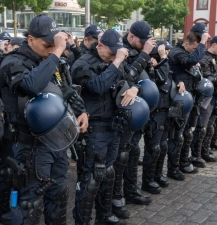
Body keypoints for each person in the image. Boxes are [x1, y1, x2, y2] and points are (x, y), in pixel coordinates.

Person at [0, 14, 88, 224]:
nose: (51, 49)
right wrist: (57, 51)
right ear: (30, 40)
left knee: (58, 195)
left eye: (53, 45)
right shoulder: (13, 61)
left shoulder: (49, 61)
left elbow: (64, 89)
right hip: (28, 145)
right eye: (47, 44)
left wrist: (81, 110)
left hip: (55, 142)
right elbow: (30, 86)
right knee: (30, 204)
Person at [71, 29, 129, 225]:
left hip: (113, 126)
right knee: (91, 179)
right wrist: (116, 63)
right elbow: (96, 87)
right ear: (100, 45)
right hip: (94, 129)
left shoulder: (113, 62)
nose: (114, 56)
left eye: (117, 53)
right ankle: (83, 221)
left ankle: (103, 216)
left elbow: (126, 81)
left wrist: (134, 87)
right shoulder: (82, 63)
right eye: (111, 52)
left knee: (108, 174)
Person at [111, 21, 156, 219]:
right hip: (121, 114)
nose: (145, 44)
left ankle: (131, 190)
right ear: (130, 37)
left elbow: (144, 78)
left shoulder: (140, 52)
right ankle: (116, 197)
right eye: (142, 41)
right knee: (120, 158)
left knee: (134, 151)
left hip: (138, 112)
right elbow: (127, 75)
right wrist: (145, 55)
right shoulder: (120, 51)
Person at [167, 22, 210, 180]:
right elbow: (188, 61)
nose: (195, 50)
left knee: (186, 133)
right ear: (186, 43)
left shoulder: (185, 52)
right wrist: (202, 45)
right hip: (177, 101)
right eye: (194, 47)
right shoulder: (177, 52)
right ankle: (173, 168)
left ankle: (183, 162)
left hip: (188, 99)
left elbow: (192, 61)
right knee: (175, 135)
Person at [140, 41, 173, 195]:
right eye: (163, 51)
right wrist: (161, 60)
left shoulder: (165, 66)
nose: (166, 54)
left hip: (167, 111)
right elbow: (161, 79)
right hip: (155, 112)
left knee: (163, 146)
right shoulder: (152, 68)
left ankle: (158, 175)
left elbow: (169, 80)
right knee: (153, 148)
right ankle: (148, 180)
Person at [196, 36, 217, 163]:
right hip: (208, 97)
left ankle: (206, 149)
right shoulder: (204, 58)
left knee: (211, 125)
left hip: (215, 96)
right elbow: (209, 78)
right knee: (202, 126)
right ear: (214, 45)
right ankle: (198, 154)